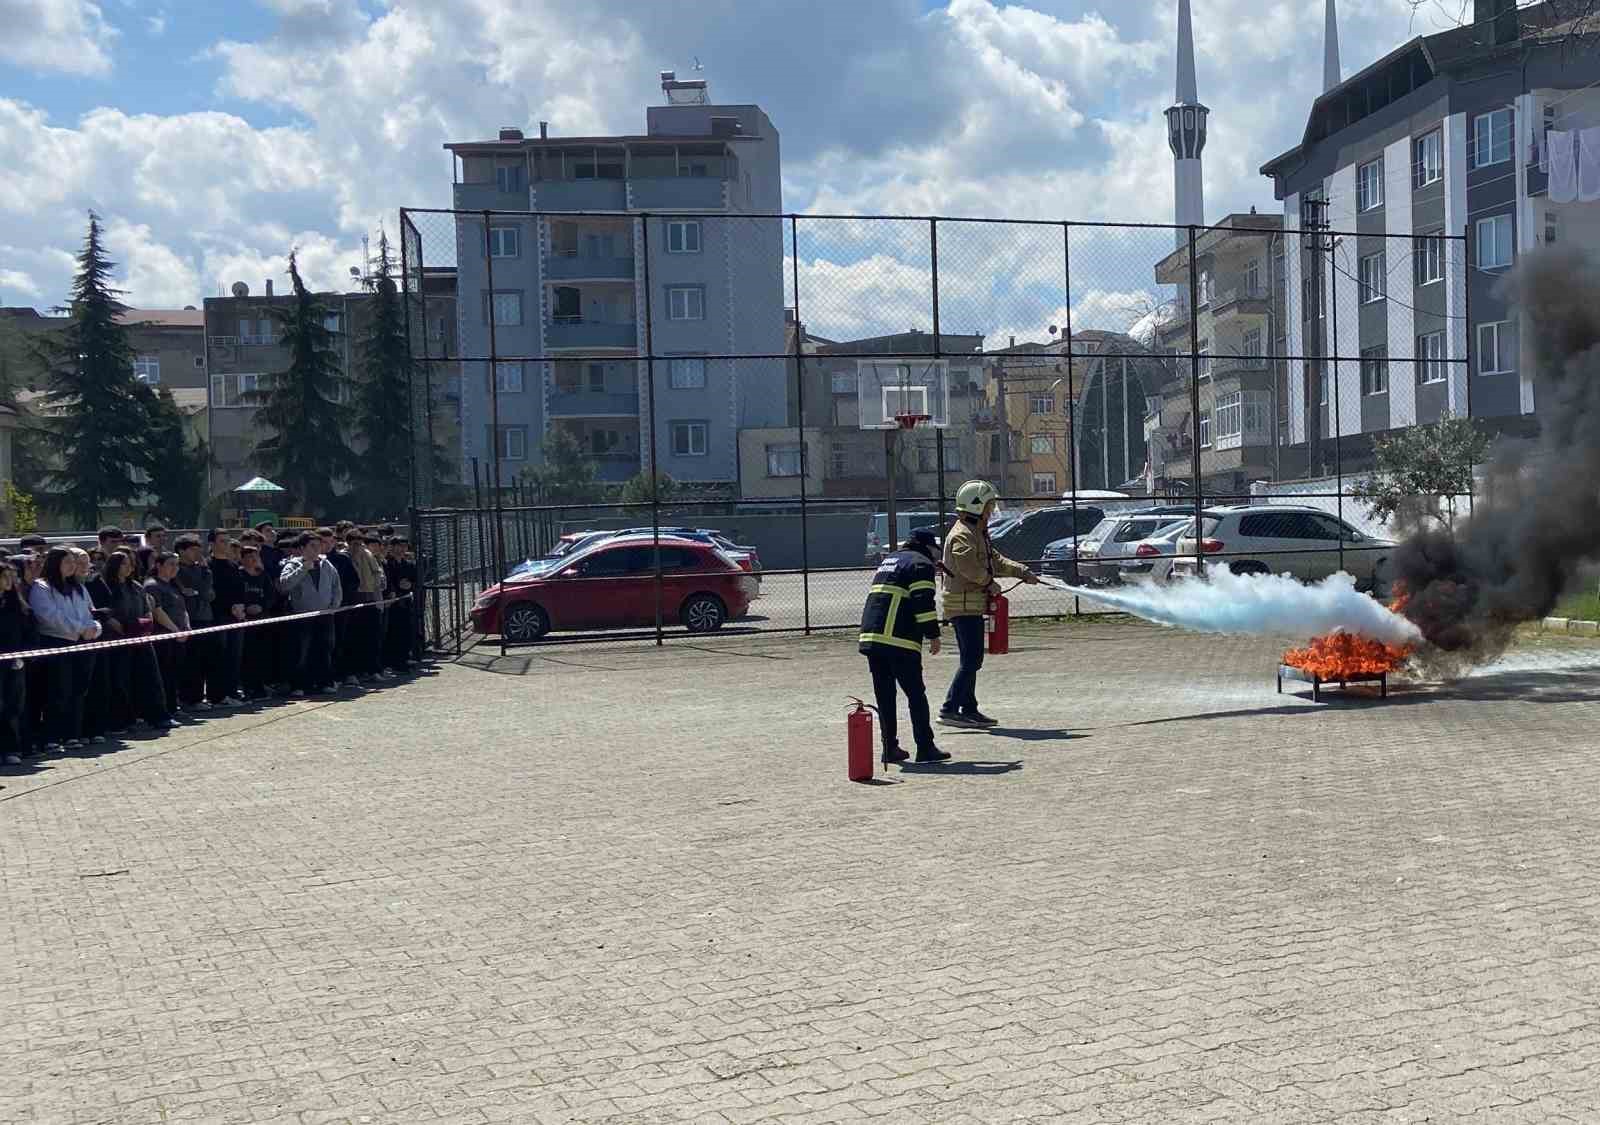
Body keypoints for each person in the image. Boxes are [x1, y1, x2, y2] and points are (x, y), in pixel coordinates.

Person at [940, 479, 1039, 729]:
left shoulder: (977, 533)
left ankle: (969, 709)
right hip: (962, 606)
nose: (992, 510)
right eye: (989, 505)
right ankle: (950, 709)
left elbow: (995, 561)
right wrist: (989, 583)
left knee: (970, 659)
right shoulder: (963, 534)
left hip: (970, 604)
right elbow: (967, 567)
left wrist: (1022, 572)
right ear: (976, 506)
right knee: (972, 660)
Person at [858, 528, 948, 765]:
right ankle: (925, 747)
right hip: (898, 640)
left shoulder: (891, 560)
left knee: (885, 696)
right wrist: (933, 635)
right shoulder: (921, 564)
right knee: (916, 695)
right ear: (929, 548)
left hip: (872, 637)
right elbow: (923, 602)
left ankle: (889, 748)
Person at [30, 546, 102, 751]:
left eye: (74, 562)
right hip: (56, 643)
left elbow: (91, 613)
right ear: (55, 563)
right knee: (57, 690)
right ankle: (51, 736)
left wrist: (94, 629)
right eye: (68, 562)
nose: (73, 566)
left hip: (82, 644)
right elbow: (49, 616)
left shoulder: (79, 587)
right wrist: (79, 629)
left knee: (78, 690)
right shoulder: (42, 587)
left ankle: (72, 734)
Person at [99, 551, 172, 732]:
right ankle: (123, 720)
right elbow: (106, 614)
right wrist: (122, 628)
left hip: (141, 638)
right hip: (119, 640)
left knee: (150, 678)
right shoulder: (105, 587)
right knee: (121, 681)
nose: (129, 567)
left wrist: (145, 625)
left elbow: (148, 610)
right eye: (124, 563)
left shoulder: (137, 587)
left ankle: (157, 716)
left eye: (131, 563)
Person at [279, 532, 342, 696]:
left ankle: (324, 682)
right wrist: (304, 568)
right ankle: (298, 685)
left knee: (324, 649)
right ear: (302, 548)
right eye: (312, 546)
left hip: (325, 614)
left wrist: (334, 605)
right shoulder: (291, 564)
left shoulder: (326, 564)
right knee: (301, 651)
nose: (316, 549)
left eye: (318, 546)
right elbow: (285, 585)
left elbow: (336, 586)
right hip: (302, 616)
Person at [144, 552, 190, 720]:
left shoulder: (173, 585)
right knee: (165, 674)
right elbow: (157, 611)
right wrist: (175, 630)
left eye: (176, 565)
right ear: (159, 565)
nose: (175, 568)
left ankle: (174, 705)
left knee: (175, 673)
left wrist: (187, 627)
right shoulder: (152, 585)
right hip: (164, 636)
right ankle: (166, 708)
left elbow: (183, 609)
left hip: (179, 636)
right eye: (171, 564)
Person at [0, 561, 34, 766]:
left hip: (13, 665)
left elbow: (29, 632)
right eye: (5, 576)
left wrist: (22, 655)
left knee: (12, 707)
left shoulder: (18, 605)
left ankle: (11, 748)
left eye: (11, 577)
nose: (9, 581)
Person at [208, 530, 247, 705]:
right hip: (218, 618)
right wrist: (229, 607)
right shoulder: (207, 565)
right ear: (212, 543)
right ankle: (218, 695)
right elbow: (212, 593)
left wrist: (240, 607)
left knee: (234, 656)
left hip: (236, 618)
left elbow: (239, 590)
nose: (226, 545)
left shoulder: (232, 566)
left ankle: (232, 691)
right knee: (219, 657)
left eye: (227, 541)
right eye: (222, 541)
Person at [236, 545, 272, 699]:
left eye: (255, 556)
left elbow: (271, 595)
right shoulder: (238, 574)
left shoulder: (262, 575)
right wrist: (246, 608)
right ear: (242, 559)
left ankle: (259, 686)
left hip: (261, 621)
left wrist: (262, 606)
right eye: (249, 556)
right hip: (244, 621)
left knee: (261, 655)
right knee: (246, 656)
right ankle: (246, 687)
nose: (253, 560)